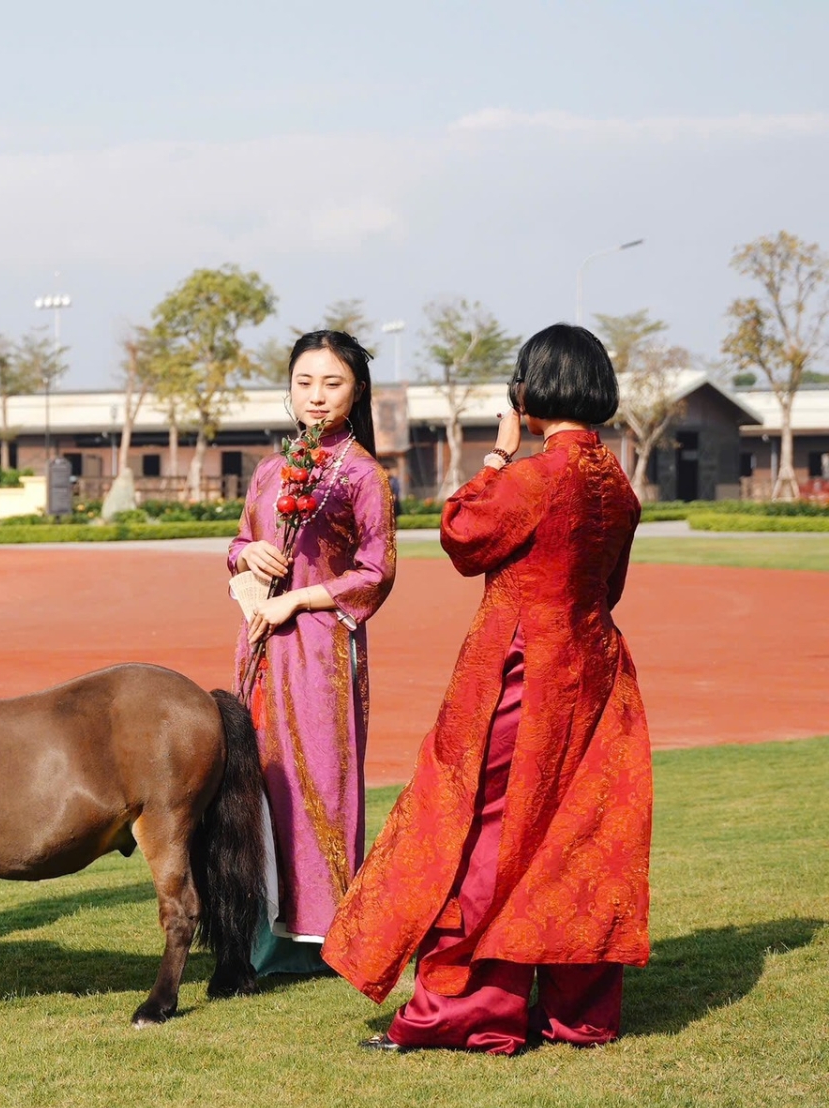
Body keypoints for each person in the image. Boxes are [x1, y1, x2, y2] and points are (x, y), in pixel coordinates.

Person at [325, 323, 652, 1054]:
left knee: (479, 835)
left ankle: (470, 1010)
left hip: (519, 680)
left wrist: (500, 450)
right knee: (575, 838)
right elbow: (612, 586)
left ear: (529, 391)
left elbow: (462, 533)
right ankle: (578, 1012)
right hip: (596, 674)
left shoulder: (533, 479)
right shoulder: (617, 484)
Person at [228, 331, 397, 976]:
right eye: (305, 382)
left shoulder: (362, 474)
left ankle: (325, 935)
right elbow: (240, 541)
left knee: (319, 780)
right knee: (254, 777)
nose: (317, 396)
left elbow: (376, 572)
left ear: (356, 394)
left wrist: (298, 601)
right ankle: (258, 924)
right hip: (259, 642)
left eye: (333, 383)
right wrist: (249, 555)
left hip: (322, 651)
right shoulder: (271, 471)